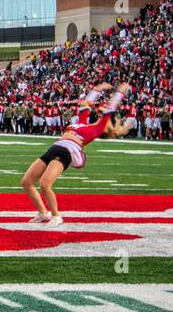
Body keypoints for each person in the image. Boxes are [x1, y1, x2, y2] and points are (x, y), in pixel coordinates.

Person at [21, 82, 134, 227]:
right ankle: (43, 213)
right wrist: (96, 89)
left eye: (102, 112)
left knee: (44, 184)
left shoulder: (99, 128)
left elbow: (111, 107)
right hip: (54, 148)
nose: (101, 111)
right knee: (26, 182)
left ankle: (56, 216)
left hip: (66, 151)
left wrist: (120, 93)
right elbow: (85, 104)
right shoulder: (82, 122)